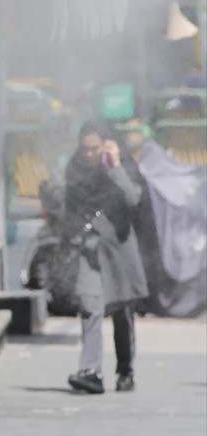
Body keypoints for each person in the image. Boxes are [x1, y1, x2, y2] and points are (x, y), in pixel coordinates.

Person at [62, 120, 149, 394]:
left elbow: (134, 198)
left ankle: (125, 371)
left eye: (95, 148)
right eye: (85, 149)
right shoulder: (75, 170)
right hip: (90, 247)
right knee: (90, 308)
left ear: (107, 145)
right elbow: (70, 208)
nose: (89, 154)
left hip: (119, 247)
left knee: (122, 311)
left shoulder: (122, 165)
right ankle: (91, 372)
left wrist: (115, 166)